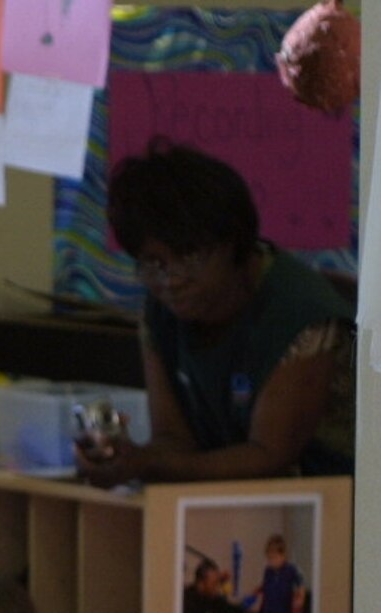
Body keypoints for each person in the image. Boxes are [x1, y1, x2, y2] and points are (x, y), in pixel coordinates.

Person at [77, 139, 355, 486]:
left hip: (341, 512)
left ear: (234, 244)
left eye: (190, 257)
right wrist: (126, 457)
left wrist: (146, 466)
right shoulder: (161, 311)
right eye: (154, 263)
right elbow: (174, 441)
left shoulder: (303, 314)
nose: (171, 280)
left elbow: (268, 457)